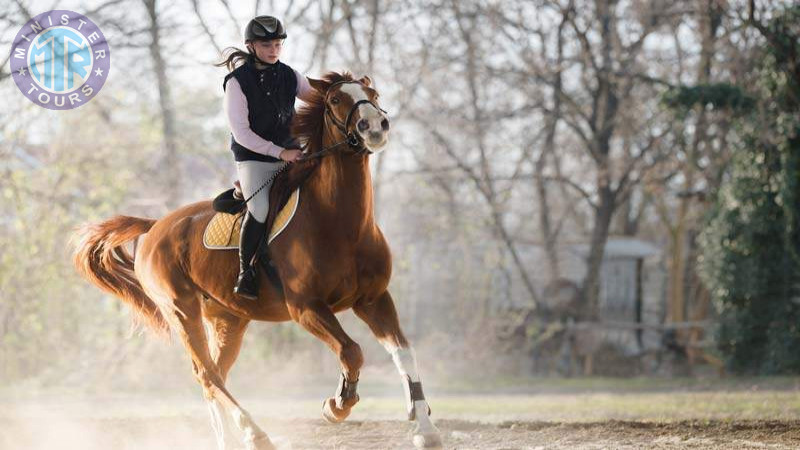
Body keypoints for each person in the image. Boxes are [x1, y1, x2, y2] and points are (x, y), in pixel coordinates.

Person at [217, 15, 315, 299]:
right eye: (266, 45)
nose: (273, 50)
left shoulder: (290, 75)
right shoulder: (236, 82)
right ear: (251, 46)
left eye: (277, 44)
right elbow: (242, 133)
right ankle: (246, 273)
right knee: (259, 209)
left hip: (293, 154)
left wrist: (346, 94)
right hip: (254, 159)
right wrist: (280, 152)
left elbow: (317, 99)